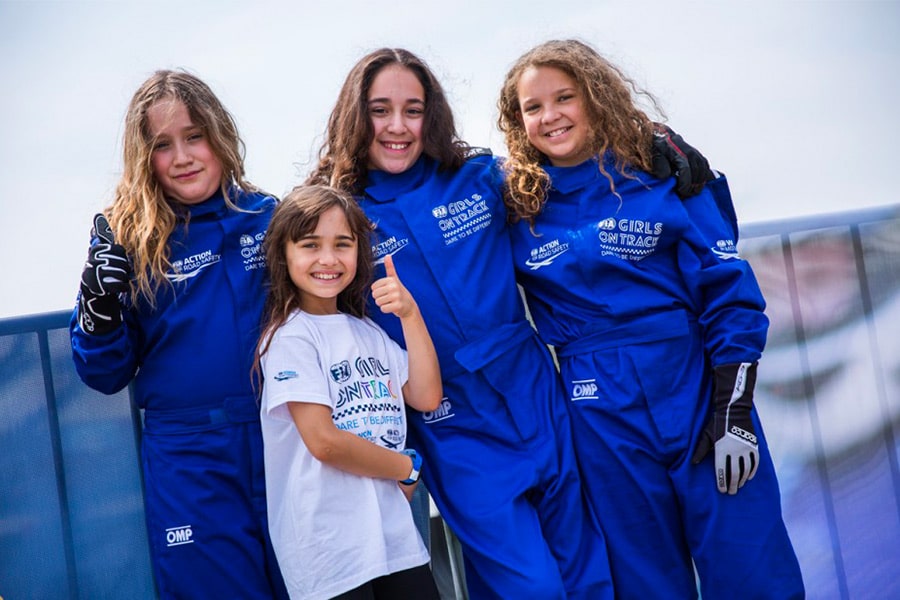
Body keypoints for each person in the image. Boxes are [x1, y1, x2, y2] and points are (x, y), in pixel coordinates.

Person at [305, 47, 705, 600]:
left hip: (534, 390)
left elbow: (565, 165)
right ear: (355, 115)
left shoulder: (479, 176)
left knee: (590, 576)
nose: (397, 127)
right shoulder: (337, 210)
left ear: (433, 115)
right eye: (379, 110)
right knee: (532, 586)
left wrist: (649, 141)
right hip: (449, 418)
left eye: (413, 110)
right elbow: (296, 279)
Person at [496, 39, 805, 599]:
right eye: (533, 107)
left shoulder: (662, 170)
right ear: (518, 122)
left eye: (565, 97)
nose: (550, 116)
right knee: (644, 581)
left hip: (692, 388)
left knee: (751, 568)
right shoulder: (516, 201)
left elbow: (729, 290)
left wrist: (732, 410)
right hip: (597, 410)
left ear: (596, 98)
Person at [69, 70, 288, 599]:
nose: (183, 156)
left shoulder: (270, 218)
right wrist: (97, 306)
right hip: (190, 457)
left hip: (287, 435)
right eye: (163, 145)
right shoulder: (128, 238)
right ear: (145, 159)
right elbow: (105, 374)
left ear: (219, 136)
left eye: (194, 136)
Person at [254, 184, 443, 600]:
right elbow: (324, 442)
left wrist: (410, 314)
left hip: (394, 542)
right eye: (309, 245)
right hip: (330, 551)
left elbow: (426, 395)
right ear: (284, 256)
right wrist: (404, 467)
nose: (328, 259)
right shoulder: (290, 338)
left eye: (343, 244)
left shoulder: (368, 332)